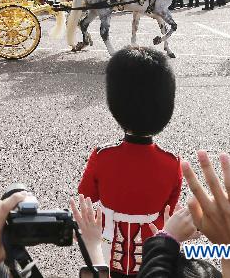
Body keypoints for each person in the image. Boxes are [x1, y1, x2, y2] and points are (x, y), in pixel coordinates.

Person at [78, 46, 182, 277]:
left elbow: (86, 195)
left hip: (107, 251)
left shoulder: (102, 157)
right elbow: (169, 213)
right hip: (152, 257)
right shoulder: (171, 163)